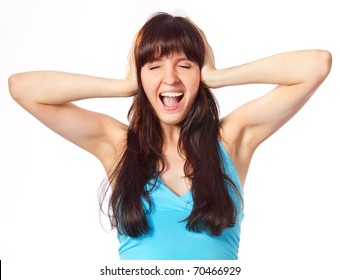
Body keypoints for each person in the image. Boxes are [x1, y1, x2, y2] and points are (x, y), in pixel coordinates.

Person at [8, 12, 332, 260]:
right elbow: (22, 88)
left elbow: (316, 64)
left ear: (199, 74)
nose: (170, 79)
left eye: (185, 65)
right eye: (154, 67)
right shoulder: (118, 145)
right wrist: (123, 84)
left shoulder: (232, 139)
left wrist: (218, 76)